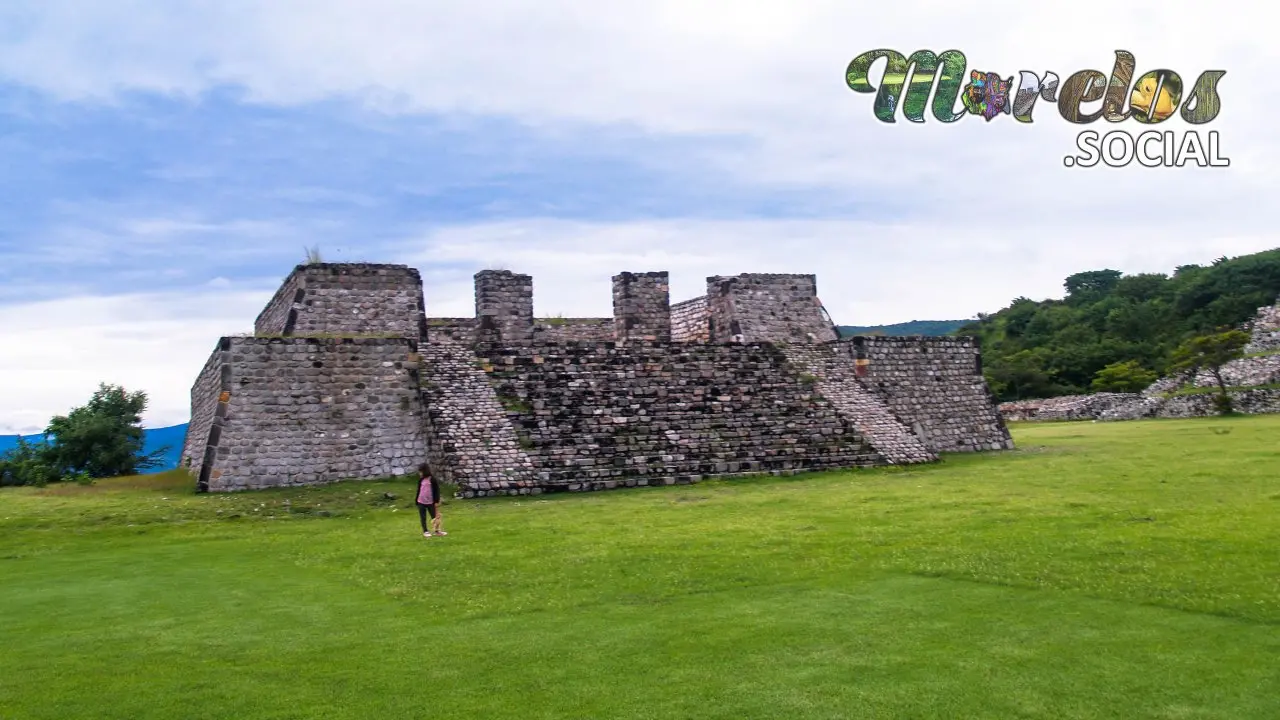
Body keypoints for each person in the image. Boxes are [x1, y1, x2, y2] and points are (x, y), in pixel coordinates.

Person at [415, 464, 446, 538]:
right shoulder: (421, 480)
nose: (420, 473)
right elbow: (419, 490)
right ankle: (425, 531)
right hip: (421, 502)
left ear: (425, 471)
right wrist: (416, 500)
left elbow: (436, 491)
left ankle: (437, 531)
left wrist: (436, 501)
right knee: (423, 517)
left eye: (421, 472)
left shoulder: (432, 479)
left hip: (430, 502)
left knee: (434, 517)